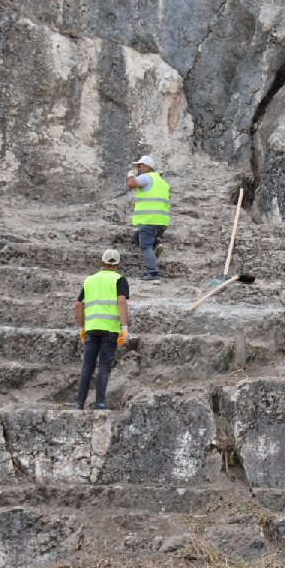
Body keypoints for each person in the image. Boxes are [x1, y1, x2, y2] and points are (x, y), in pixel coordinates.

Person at [74, 248, 129, 410]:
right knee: (104, 366)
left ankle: (79, 404)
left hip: (91, 328)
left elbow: (78, 305)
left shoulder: (89, 280)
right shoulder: (119, 279)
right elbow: (121, 302)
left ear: (102, 262)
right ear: (117, 264)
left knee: (87, 367)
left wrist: (82, 327)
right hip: (110, 329)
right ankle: (99, 403)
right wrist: (124, 328)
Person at [125, 154, 169, 282]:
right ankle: (155, 246)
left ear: (146, 167)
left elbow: (131, 184)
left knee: (145, 246)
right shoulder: (161, 181)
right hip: (162, 221)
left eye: (139, 165)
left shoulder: (146, 177)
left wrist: (130, 175)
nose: (138, 168)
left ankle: (153, 273)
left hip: (149, 220)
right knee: (137, 238)